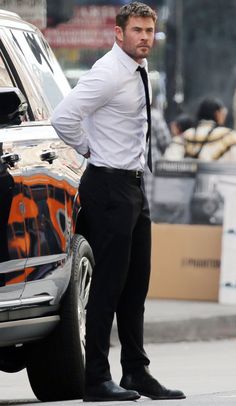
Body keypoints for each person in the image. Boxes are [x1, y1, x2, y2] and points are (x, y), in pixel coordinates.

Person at [51, 2, 185, 402]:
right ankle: (95, 378)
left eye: (149, 31)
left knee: (135, 285)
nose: (145, 37)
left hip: (132, 186)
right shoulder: (108, 73)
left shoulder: (139, 70)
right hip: (108, 185)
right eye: (137, 30)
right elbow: (64, 116)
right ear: (119, 33)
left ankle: (135, 372)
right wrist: (92, 149)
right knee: (108, 286)